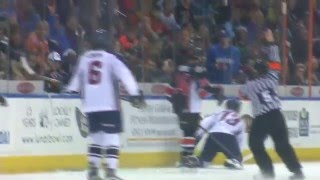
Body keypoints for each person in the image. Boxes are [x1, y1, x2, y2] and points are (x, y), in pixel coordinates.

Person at [66, 29, 145, 180]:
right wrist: (135, 93)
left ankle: (93, 171)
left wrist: (69, 92)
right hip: (108, 104)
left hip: (90, 105)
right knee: (112, 137)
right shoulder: (111, 58)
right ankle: (110, 170)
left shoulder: (84, 59)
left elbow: (75, 82)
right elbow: (125, 75)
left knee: (96, 137)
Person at [241, 60, 304, 180]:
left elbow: (242, 93)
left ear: (256, 71)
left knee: (255, 144)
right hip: (277, 116)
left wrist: (249, 77)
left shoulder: (250, 85)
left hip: (262, 117)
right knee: (283, 145)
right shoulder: (272, 79)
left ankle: (267, 172)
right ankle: (297, 172)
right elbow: (274, 68)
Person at [165, 63, 225, 167]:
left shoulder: (181, 80)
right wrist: (218, 91)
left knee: (187, 134)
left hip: (183, 112)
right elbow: (203, 93)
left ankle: (185, 157)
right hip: (192, 111)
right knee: (190, 135)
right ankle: (187, 158)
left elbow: (169, 95)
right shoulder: (197, 81)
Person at [185, 99, 245, 169]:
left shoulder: (218, 113)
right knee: (237, 161)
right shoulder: (239, 120)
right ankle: (234, 161)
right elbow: (240, 139)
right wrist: (238, 154)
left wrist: (198, 135)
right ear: (237, 107)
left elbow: (205, 123)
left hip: (213, 136)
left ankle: (198, 161)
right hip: (229, 138)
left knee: (205, 160)